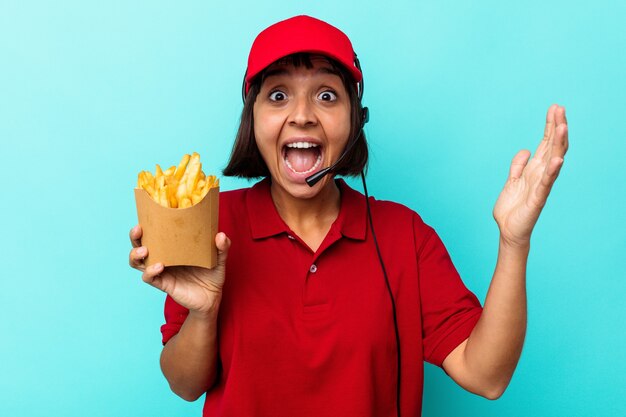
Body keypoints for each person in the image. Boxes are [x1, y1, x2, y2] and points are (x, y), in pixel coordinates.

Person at [128, 15, 568, 417]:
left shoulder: (403, 234)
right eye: (278, 95)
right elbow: (185, 386)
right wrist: (204, 313)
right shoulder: (213, 221)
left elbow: (486, 376)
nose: (302, 116)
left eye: (326, 95)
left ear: (356, 120)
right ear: (253, 119)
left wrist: (514, 242)